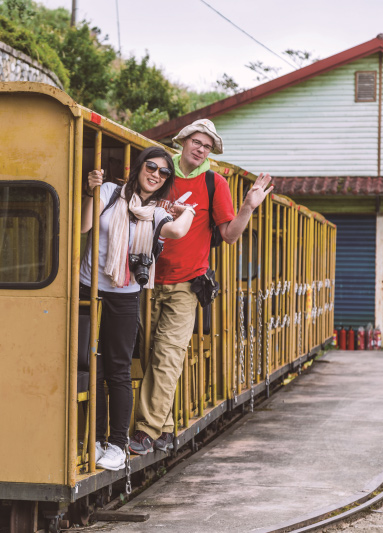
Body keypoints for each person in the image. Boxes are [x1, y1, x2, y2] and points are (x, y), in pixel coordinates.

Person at [129, 119, 273, 455]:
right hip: (144, 280)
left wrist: (247, 208)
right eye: (196, 142)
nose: (201, 149)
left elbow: (229, 235)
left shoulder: (215, 182)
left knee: (167, 355)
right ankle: (165, 429)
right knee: (149, 354)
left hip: (186, 284)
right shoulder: (161, 172)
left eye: (207, 146)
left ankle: (145, 432)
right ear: (183, 141)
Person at [80, 146, 195, 471]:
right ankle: (97, 441)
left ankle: (117, 444)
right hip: (89, 289)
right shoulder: (109, 192)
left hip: (124, 296)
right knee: (92, 367)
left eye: (163, 172)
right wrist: (91, 191)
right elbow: (85, 226)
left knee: (117, 370)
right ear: (140, 166)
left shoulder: (157, 213)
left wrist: (188, 210)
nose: (156, 174)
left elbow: (178, 230)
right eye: (151, 166)